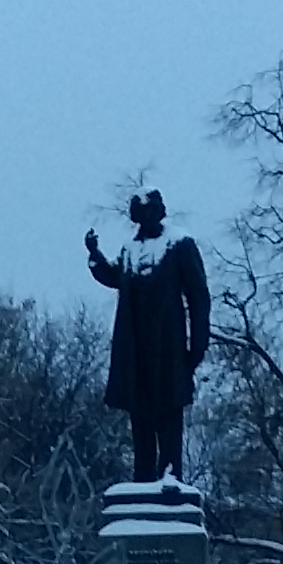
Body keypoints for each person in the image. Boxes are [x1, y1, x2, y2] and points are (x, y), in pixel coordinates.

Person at [85, 189, 213, 483]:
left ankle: (170, 475)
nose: (145, 217)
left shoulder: (180, 244)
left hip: (168, 346)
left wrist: (198, 342)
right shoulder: (131, 249)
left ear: (160, 211)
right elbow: (117, 278)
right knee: (140, 415)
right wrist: (95, 255)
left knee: (168, 411)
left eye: (150, 211)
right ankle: (143, 476)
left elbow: (198, 295)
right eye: (140, 213)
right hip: (135, 348)